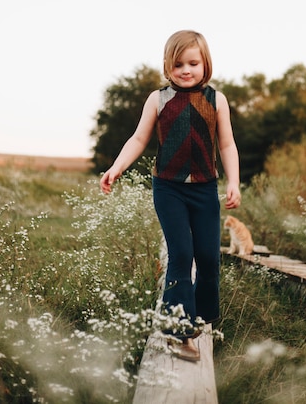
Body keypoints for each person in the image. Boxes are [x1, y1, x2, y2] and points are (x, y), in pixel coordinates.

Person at [100, 30, 241, 362]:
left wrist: (233, 181)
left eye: (193, 63)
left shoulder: (216, 100)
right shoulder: (158, 99)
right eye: (178, 65)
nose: (186, 70)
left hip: (205, 189)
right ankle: (178, 330)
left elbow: (227, 144)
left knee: (208, 257)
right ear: (167, 66)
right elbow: (137, 139)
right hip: (169, 188)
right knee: (182, 254)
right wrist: (116, 167)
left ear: (205, 64)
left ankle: (202, 315)